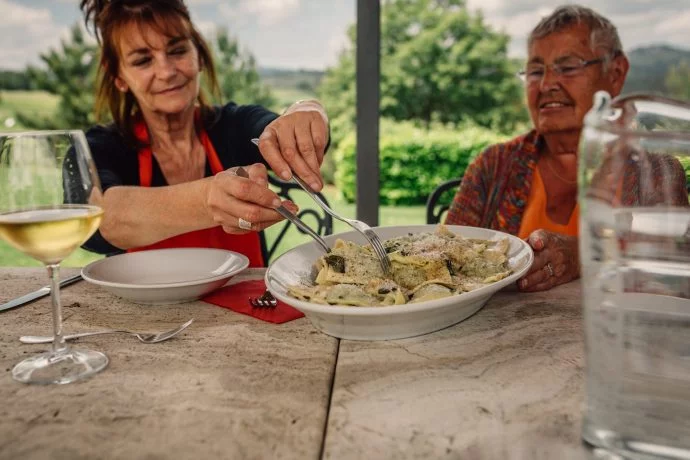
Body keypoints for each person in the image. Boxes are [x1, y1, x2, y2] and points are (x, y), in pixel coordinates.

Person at [444, 4, 689, 292]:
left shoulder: (657, 173)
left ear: (616, 72)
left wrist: (582, 256)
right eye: (536, 71)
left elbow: (673, 279)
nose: (547, 84)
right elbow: (445, 258)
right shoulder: (493, 165)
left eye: (568, 67)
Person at [77, 0, 330, 267]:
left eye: (177, 51)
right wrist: (209, 200)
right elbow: (97, 219)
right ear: (118, 75)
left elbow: (284, 133)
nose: (166, 71)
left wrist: (307, 110)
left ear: (198, 54)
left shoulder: (234, 125)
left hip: (246, 306)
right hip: (144, 310)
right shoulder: (99, 147)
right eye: (143, 60)